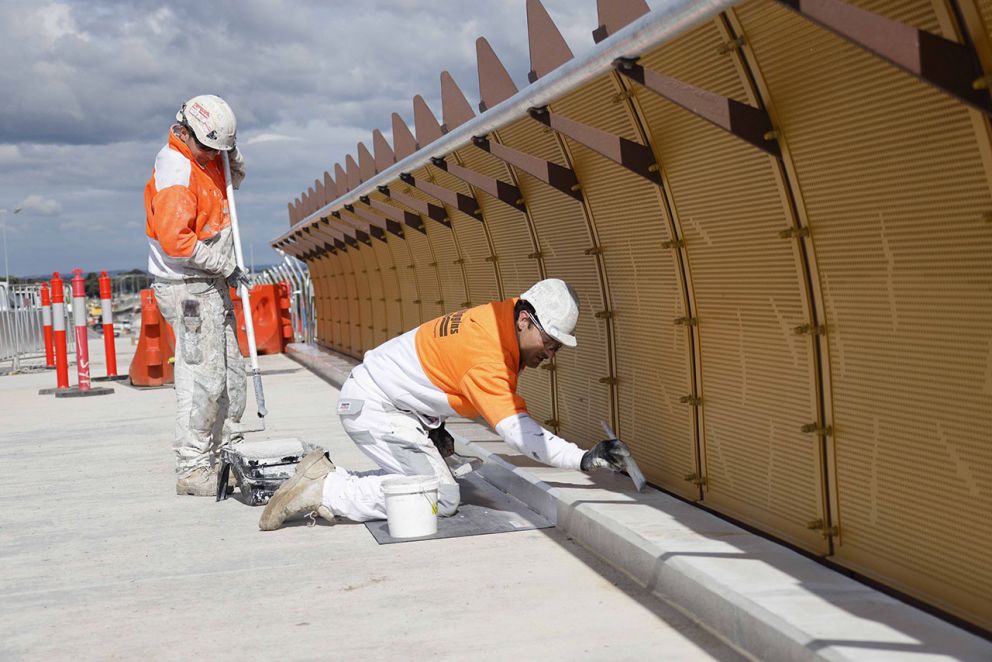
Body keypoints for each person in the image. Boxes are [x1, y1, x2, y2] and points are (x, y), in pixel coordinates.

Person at [260, 278, 635, 530]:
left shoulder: (494, 319)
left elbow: (435, 371)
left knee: (437, 479)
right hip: (375, 410)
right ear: (525, 321)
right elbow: (519, 434)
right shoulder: (487, 353)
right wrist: (583, 458)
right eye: (550, 342)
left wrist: (435, 427)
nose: (551, 353)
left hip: (393, 406)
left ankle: (334, 479)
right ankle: (325, 490)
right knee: (440, 496)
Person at [144, 94, 251, 496]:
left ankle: (225, 456)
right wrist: (226, 266)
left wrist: (230, 153)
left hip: (210, 285)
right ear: (184, 132)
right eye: (208, 146)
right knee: (202, 378)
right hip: (187, 287)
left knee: (230, 376)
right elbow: (177, 242)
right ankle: (192, 469)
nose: (213, 154)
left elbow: (232, 180)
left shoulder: (205, 159)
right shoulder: (176, 171)